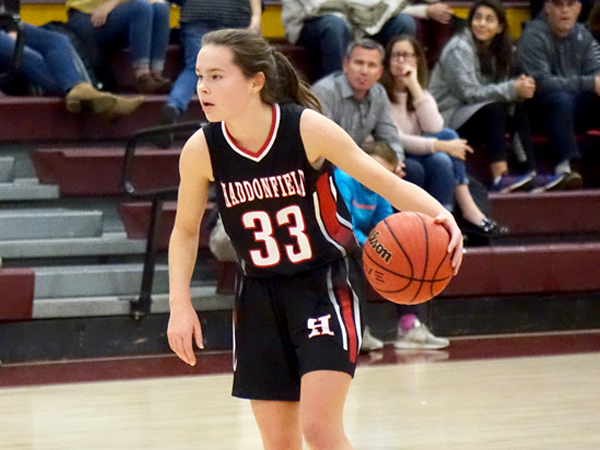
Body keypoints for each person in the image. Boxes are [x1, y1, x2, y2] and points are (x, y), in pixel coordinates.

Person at [166, 28, 463, 450]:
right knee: (280, 443)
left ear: (255, 80)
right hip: (257, 297)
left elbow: (383, 180)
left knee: (320, 430)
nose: (202, 88)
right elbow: (185, 230)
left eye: (216, 76)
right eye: (199, 76)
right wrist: (179, 305)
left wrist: (441, 214)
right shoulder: (202, 149)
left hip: (322, 287)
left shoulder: (305, 129)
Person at [429, 0, 569, 193]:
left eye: (489, 19)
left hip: (475, 114)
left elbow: (501, 91)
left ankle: (531, 173)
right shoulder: (458, 48)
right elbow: (470, 93)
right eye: (477, 18)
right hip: (447, 117)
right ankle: (499, 177)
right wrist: (513, 89)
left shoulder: (500, 50)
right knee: (495, 107)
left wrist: (520, 89)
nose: (482, 24)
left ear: (500, 27)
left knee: (514, 106)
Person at [380, 34, 507, 239]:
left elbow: (434, 126)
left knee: (442, 154)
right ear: (387, 61)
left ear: (418, 61)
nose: (402, 61)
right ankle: (467, 212)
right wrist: (439, 145)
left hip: (421, 153)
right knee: (441, 146)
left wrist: (414, 86)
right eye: (396, 56)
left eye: (407, 56)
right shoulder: (380, 94)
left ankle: (445, 223)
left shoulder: (420, 92)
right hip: (398, 157)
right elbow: (396, 139)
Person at [334, 141, 452, 352]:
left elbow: (387, 224)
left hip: (360, 241)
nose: (375, 174)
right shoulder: (343, 178)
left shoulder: (378, 186)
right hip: (334, 239)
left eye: (383, 172)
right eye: (372, 167)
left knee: (406, 259)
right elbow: (342, 224)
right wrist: (374, 245)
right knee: (352, 260)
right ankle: (358, 330)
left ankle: (410, 327)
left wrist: (394, 245)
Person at [0, 0, 144, 117]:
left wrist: (10, 28)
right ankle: (92, 97)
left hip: (6, 24)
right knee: (26, 54)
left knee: (58, 40)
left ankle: (84, 93)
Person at [311, 38, 421, 185]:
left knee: (412, 170)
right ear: (345, 65)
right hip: (329, 165)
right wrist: (362, 167)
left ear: (380, 72)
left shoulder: (378, 93)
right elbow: (325, 146)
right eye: (359, 63)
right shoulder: (325, 92)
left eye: (371, 65)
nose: (364, 71)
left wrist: (396, 163)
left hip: (360, 162)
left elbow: (389, 136)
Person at [518, 0, 600, 186]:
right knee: (560, 99)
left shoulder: (583, 35)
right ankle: (566, 168)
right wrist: (588, 83)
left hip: (573, 107)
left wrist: (592, 83)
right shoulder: (533, 36)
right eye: (558, 4)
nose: (564, 10)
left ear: (579, 8)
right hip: (536, 109)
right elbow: (541, 83)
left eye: (570, 4)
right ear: (547, 7)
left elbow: (596, 74)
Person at [159, 0, 262, 126]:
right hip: (237, 17)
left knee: (195, 68)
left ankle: (174, 105)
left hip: (198, 15)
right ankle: (236, 119)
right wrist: (256, 17)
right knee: (235, 69)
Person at [280, 0, 418, 80]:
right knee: (334, 25)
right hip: (313, 19)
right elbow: (320, 5)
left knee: (403, 22)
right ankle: (337, 92)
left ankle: (395, 92)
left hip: (365, 21)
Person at [65, 0, 172, 94]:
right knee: (141, 7)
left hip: (116, 13)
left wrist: (113, 2)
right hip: (86, 15)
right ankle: (143, 77)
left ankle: (156, 75)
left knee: (161, 7)